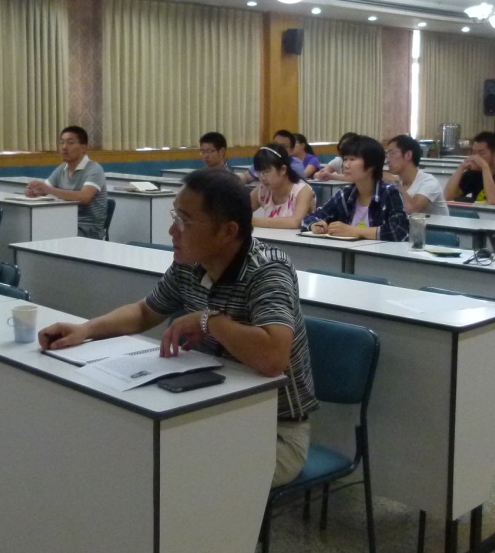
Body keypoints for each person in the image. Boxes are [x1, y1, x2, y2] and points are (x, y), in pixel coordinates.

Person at [37, 168, 318, 487]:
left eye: (185, 221)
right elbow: (145, 311)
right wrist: (85, 329)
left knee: (175, 478)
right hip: (206, 413)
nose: (172, 231)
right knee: (126, 455)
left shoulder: (267, 270)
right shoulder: (191, 263)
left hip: (273, 430)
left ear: (228, 232)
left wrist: (208, 320)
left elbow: (273, 357)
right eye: (175, 217)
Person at [302, 135, 409, 240]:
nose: (346, 165)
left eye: (352, 159)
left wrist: (354, 231)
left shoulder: (389, 192)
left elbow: (400, 230)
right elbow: (311, 217)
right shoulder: (345, 194)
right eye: (345, 159)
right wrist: (315, 225)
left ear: (371, 165)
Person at [26, 126, 110, 239]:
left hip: (88, 228)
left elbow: (84, 197)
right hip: (65, 222)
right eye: (61, 143)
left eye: (70, 143)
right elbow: (44, 189)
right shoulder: (62, 168)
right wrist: (33, 191)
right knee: (34, 231)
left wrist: (49, 190)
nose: (64, 147)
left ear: (83, 148)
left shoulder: (94, 169)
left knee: (45, 235)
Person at [443, 131, 495, 205]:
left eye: (481, 153)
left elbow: (494, 200)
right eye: (474, 152)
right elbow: (448, 197)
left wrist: (485, 167)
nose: (476, 157)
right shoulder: (472, 173)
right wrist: (461, 168)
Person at [250, 144, 316, 229]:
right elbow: (239, 211)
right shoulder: (263, 189)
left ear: (283, 170)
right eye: (258, 173)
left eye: (266, 172)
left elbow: (295, 222)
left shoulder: (303, 190)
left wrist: (252, 221)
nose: (262, 178)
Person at [385, 134, 449, 216]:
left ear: (408, 155)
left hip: (437, 225)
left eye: (392, 153)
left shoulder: (429, 182)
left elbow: (411, 209)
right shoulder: (397, 180)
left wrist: (396, 183)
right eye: (387, 155)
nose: (387, 160)